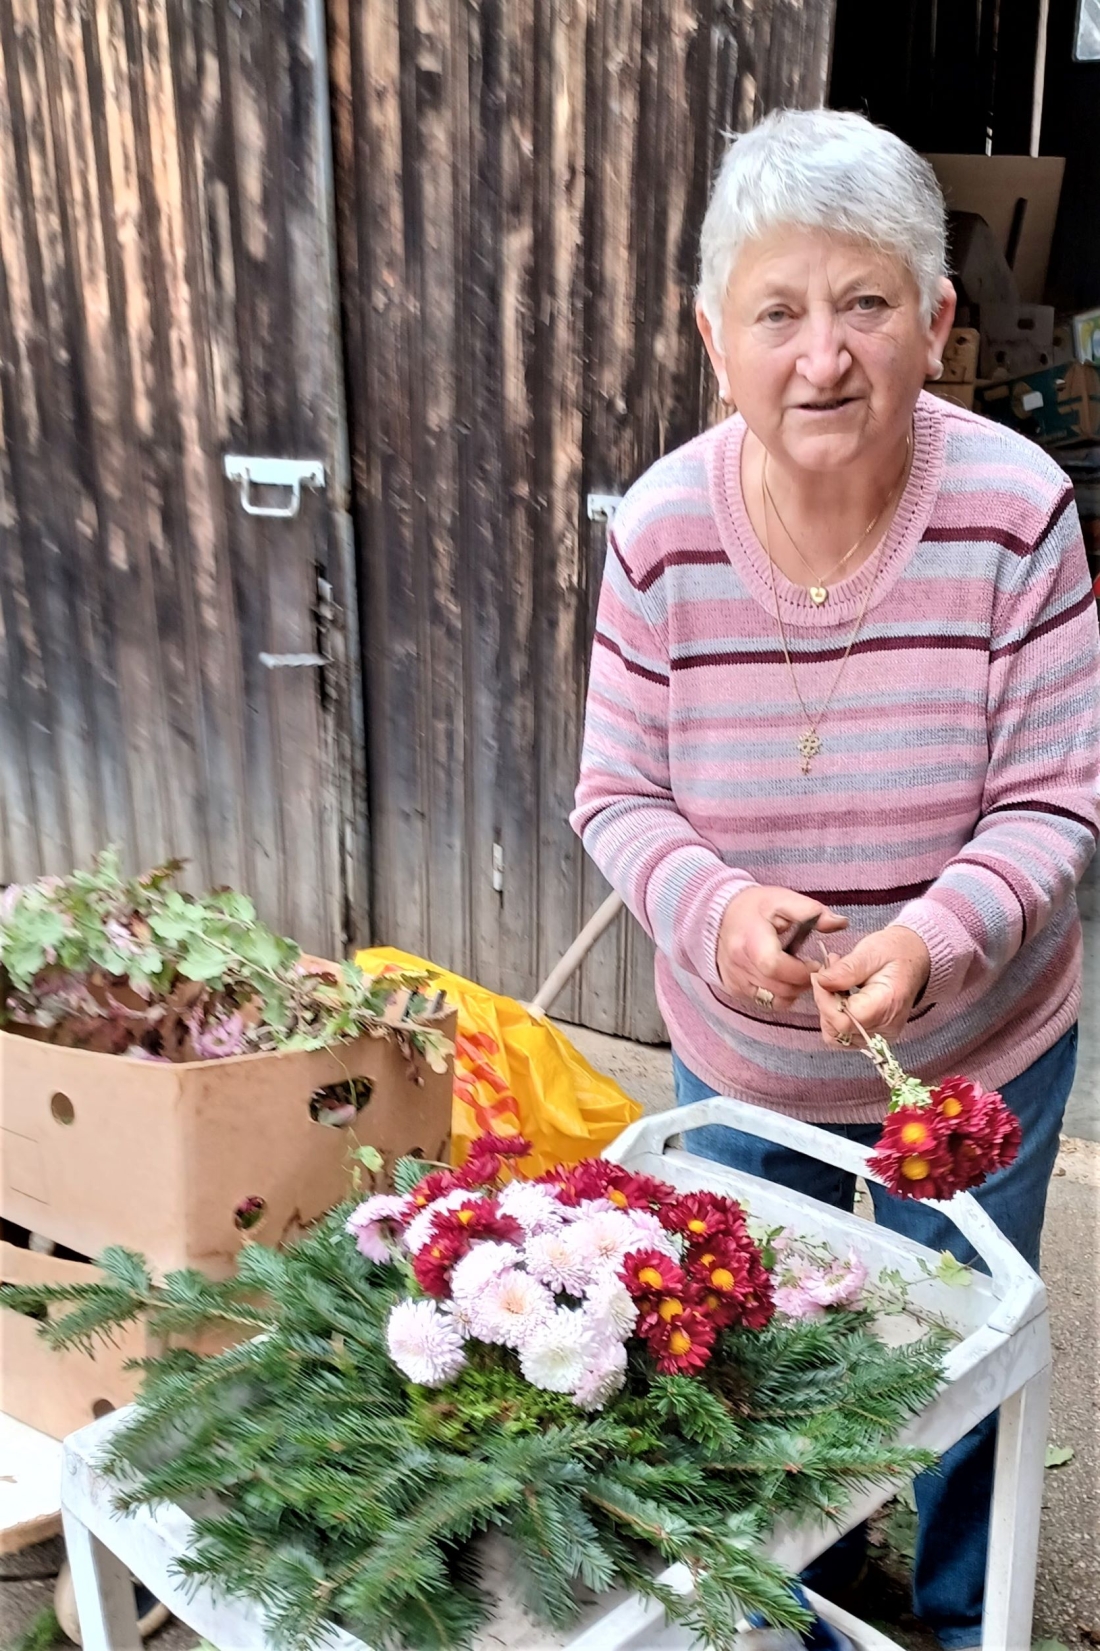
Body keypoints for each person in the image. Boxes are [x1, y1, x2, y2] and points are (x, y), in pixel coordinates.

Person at [571, 107, 1100, 1650]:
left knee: (963, 1354)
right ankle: (794, 1606)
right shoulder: (663, 533)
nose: (824, 356)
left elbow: (1060, 801)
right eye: (779, 311)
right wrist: (714, 908)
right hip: (743, 1068)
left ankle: (958, 1616)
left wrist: (939, 937)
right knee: (753, 1365)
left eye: (866, 304)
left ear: (936, 325)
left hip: (973, 1055)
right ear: (712, 338)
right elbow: (616, 792)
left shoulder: (1017, 514)